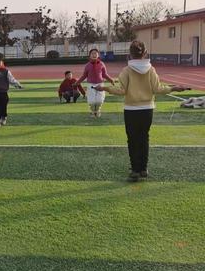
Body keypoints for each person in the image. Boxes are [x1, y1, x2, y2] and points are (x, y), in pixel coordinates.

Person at [95, 41, 187, 182]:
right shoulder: (151, 69)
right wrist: (173, 88)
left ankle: (135, 170)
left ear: (129, 54)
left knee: (132, 139)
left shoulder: (127, 70)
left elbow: (121, 91)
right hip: (147, 109)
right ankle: (143, 168)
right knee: (144, 137)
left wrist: (105, 88)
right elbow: (157, 89)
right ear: (144, 53)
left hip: (131, 109)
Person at [75, 48, 115, 117]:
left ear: (98, 55)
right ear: (89, 55)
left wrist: (111, 80)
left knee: (99, 101)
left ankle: (98, 110)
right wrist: (77, 82)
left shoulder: (102, 64)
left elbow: (105, 74)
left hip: (100, 84)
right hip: (91, 85)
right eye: (92, 53)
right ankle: (93, 111)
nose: (94, 54)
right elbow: (84, 76)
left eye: (95, 53)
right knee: (92, 101)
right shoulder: (87, 65)